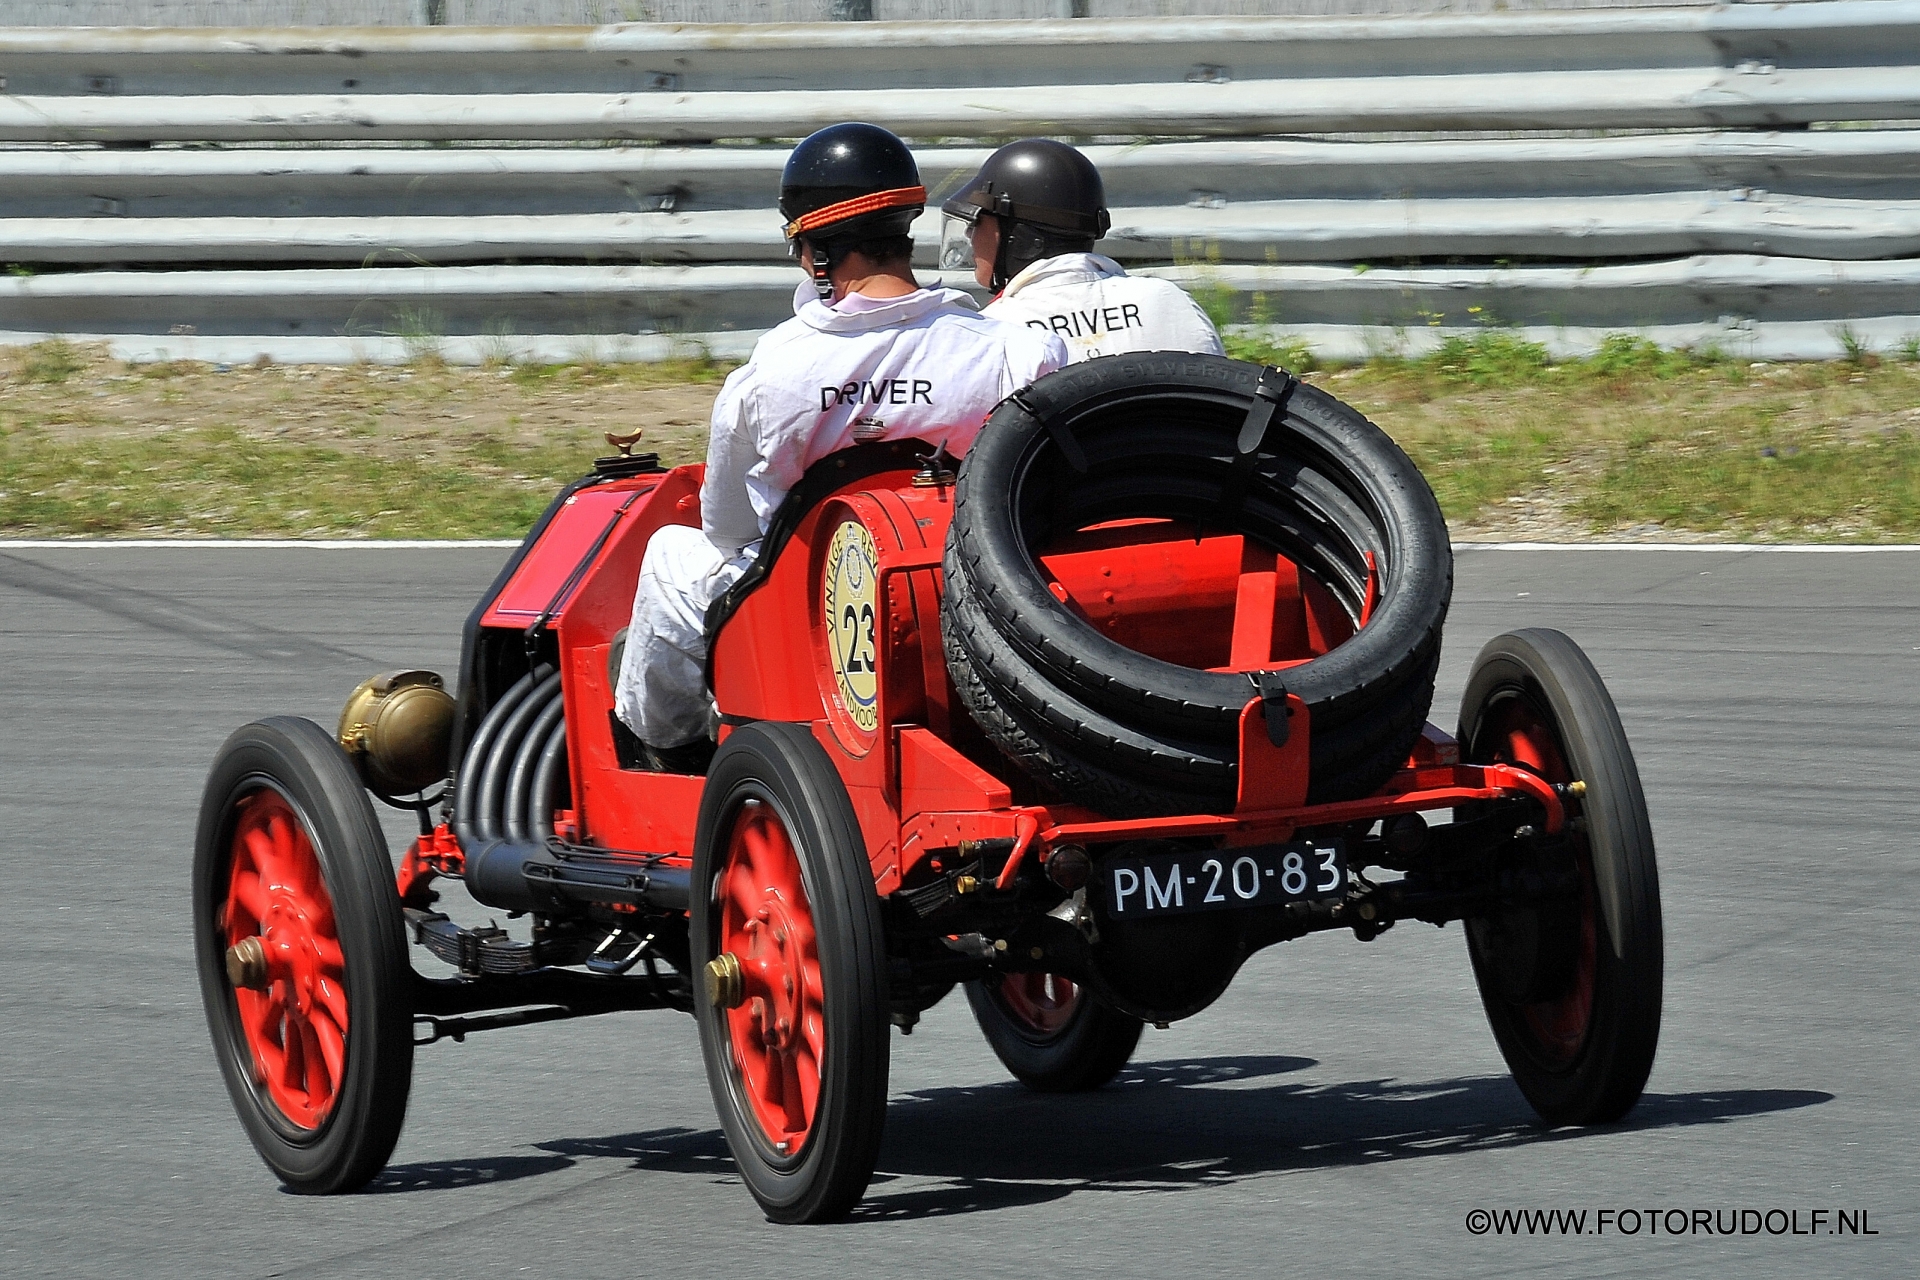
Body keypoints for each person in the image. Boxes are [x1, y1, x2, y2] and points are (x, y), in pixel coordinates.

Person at [613, 122, 1068, 768]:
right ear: (906, 227)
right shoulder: (1016, 351)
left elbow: (726, 530)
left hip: (808, 618)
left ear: (813, 252)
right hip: (971, 602)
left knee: (669, 556)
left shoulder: (770, 372)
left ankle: (671, 756)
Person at [942, 138, 1226, 362]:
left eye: (978, 221)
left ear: (1022, 238)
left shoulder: (991, 334)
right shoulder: (1171, 303)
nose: (970, 233)